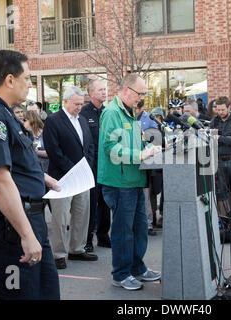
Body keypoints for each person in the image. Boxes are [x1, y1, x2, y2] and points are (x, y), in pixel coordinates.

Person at [0, 50, 60, 299]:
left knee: (46, 291)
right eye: (27, 78)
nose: (30, 84)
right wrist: (26, 235)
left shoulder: (6, 111)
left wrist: (42, 179)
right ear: (9, 79)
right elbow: (0, 182)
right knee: (19, 293)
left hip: (29, 220)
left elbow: (16, 165)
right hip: (12, 228)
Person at [98, 73, 162, 291]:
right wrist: (140, 156)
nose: (142, 98)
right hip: (119, 182)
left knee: (140, 228)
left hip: (134, 180)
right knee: (123, 231)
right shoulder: (112, 113)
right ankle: (121, 274)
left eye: (144, 94)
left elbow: (132, 145)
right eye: (139, 93)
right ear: (126, 90)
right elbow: (111, 149)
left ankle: (137, 268)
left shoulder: (130, 113)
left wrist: (149, 151)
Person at [43, 86, 97, 270]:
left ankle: (77, 248)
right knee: (61, 217)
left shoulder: (82, 120)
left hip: (82, 177)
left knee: (82, 214)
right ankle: (59, 254)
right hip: (62, 178)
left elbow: (89, 146)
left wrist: (86, 167)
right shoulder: (53, 120)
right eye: (76, 104)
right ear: (65, 101)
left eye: (82, 104)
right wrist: (72, 170)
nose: (80, 107)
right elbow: (53, 150)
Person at [80, 77, 112, 252]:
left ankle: (103, 235)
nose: (104, 92)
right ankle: (87, 239)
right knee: (91, 203)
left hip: (106, 165)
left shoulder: (108, 113)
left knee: (105, 201)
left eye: (104, 89)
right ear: (91, 93)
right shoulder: (84, 114)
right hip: (91, 165)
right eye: (100, 90)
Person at [210, 96, 231, 218]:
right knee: (221, 192)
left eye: (223, 110)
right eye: (218, 110)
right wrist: (226, 139)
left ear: (229, 107)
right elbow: (210, 139)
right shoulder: (214, 121)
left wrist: (220, 138)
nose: (220, 112)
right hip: (219, 160)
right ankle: (224, 219)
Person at [134, 99, 159, 236]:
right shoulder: (127, 117)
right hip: (133, 159)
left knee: (146, 194)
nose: (135, 111)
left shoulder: (148, 118)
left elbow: (156, 137)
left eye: (138, 109)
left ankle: (148, 223)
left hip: (147, 160)